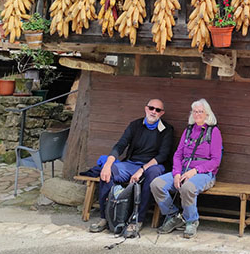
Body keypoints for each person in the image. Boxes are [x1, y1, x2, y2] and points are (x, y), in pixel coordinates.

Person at [89, 98, 173, 234]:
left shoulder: (167, 130)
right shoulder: (135, 125)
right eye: (151, 108)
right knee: (108, 172)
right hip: (131, 164)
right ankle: (106, 217)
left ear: (162, 113)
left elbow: (162, 155)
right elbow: (120, 145)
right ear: (146, 108)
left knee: (152, 175)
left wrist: (142, 169)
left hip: (153, 166)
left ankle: (137, 220)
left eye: (157, 110)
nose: (153, 112)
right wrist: (108, 164)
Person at [151, 98, 222, 239]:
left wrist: (195, 171)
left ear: (207, 114)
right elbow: (178, 155)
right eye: (195, 111)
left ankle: (191, 220)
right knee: (156, 184)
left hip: (204, 173)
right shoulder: (188, 130)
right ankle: (174, 216)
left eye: (200, 111)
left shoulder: (213, 132)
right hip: (182, 170)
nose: (197, 114)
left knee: (187, 188)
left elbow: (215, 161)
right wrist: (176, 173)